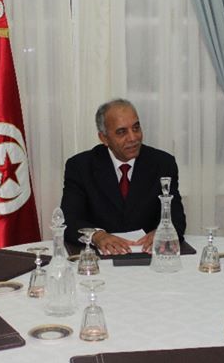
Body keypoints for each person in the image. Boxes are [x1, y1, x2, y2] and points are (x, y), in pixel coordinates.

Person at [60, 98, 186, 254]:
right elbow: (69, 221)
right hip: (100, 261)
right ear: (104, 138)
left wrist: (163, 233)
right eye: (121, 132)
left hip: (149, 257)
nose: (133, 138)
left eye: (136, 128)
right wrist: (97, 236)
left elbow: (177, 219)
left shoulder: (162, 163)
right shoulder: (80, 166)